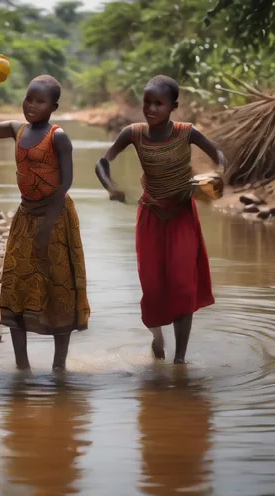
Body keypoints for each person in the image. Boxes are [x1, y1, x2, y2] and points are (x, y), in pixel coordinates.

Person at [95, 75, 225, 364]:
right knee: (151, 287)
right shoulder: (133, 133)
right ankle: (157, 338)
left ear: (173, 107)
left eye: (158, 103)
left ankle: (179, 359)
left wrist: (218, 172)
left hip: (182, 215)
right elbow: (102, 162)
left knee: (182, 285)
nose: (151, 109)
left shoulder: (186, 132)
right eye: (147, 103)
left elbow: (217, 152)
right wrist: (111, 186)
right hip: (151, 215)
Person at [0, 74, 90, 371]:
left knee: (58, 287)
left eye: (40, 101)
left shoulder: (58, 136)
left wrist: (48, 226)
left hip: (56, 218)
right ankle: (22, 366)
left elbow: (65, 184)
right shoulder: (16, 130)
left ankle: (59, 365)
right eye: (28, 98)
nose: (32, 105)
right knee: (17, 284)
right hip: (25, 216)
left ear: (54, 106)